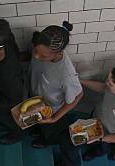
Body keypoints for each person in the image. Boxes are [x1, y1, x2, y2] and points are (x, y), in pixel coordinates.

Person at [58, 64, 115, 166]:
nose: (107, 83)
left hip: (102, 132)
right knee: (91, 145)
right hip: (95, 118)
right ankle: (92, 150)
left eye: (110, 83)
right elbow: (104, 88)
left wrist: (101, 138)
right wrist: (81, 81)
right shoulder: (114, 89)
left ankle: (72, 164)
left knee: (67, 139)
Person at [28, 21, 83, 149]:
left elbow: (78, 96)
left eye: (42, 55)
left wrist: (55, 118)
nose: (36, 56)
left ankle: (47, 140)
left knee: (50, 130)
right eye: (35, 51)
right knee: (41, 125)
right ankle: (40, 130)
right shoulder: (42, 48)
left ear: (58, 53)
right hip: (36, 99)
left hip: (52, 109)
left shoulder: (66, 75)